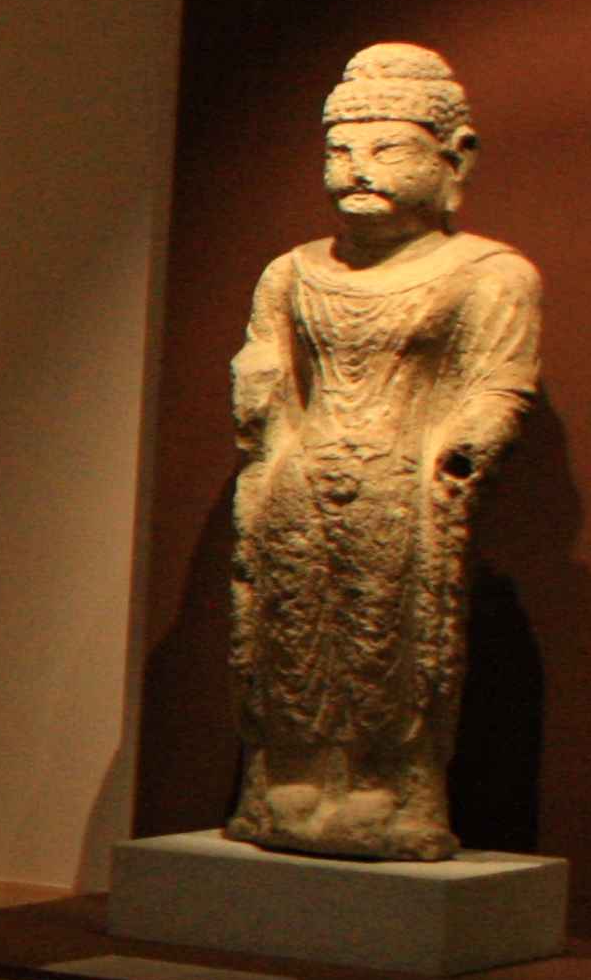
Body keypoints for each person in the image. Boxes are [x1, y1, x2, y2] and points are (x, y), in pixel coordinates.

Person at [225, 42, 543, 861]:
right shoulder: (291, 273)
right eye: (339, 151)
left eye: (387, 149)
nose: (357, 169)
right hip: (299, 482)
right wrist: (259, 398)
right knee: (292, 636)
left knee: (390, 639)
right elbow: (265, 361)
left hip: (403, 487)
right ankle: (289, 776)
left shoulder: (488, 274)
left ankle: (388, 787)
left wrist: (466, 448)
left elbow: (499, 384)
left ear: (454, 158)